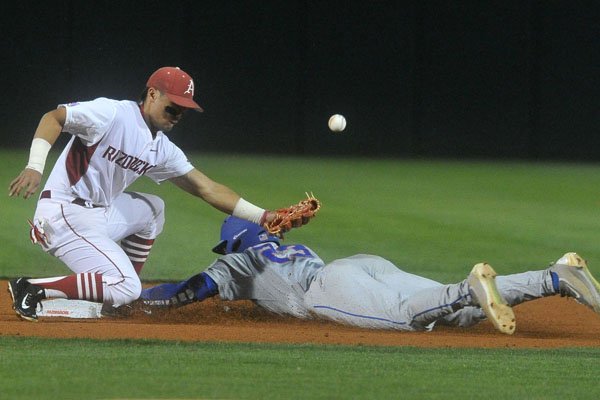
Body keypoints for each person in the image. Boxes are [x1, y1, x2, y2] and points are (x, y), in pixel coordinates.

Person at [7, 66, 303, 322]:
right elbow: (54, 117)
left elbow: (206, 188)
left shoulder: (160, 147)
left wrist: (265, 217)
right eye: (172, 107)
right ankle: (32, 288)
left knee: (154, 209)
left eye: (183, 112)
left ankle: (117, 300)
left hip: (98, 213)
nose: (177, 115)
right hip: (64, 213)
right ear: (152, 94)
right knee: (125, 286)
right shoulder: (112, 114)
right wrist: (34, 166)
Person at [139, 216, 600, 334]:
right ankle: (554, 277)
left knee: (406, 319)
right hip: (359, 265)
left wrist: (142, 300)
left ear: (231, 245)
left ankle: (469, 287)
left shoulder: (235, 263)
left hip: (326, 289)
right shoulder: (287, 246)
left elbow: (190, 290)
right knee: (457, 315)